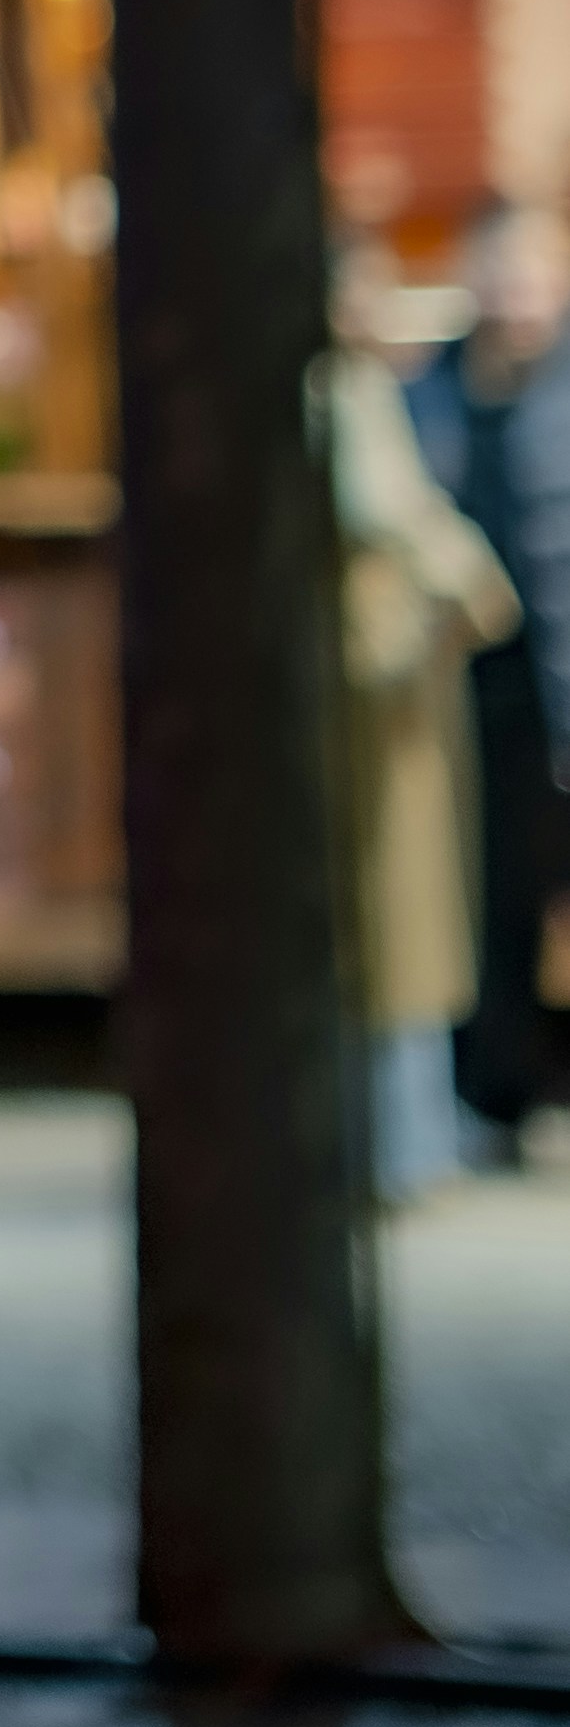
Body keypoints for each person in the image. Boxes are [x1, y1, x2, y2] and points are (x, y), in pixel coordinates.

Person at [332, 272, 521, 1203]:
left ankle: (406, 1138)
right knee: (392, 921)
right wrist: (475, 581)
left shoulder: (360, 384)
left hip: (393, 670)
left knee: (401, 923)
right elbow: (390, 510)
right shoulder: (342, 389)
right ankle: (400, 1145)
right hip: (377, 675)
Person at [409, 202, 570, 1153]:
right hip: (482, 690)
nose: (517, 297)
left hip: (560, 676)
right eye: (502, 275)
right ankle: (496, 1095)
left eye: (535, 276)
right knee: (492, 898)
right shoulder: (433, 387)